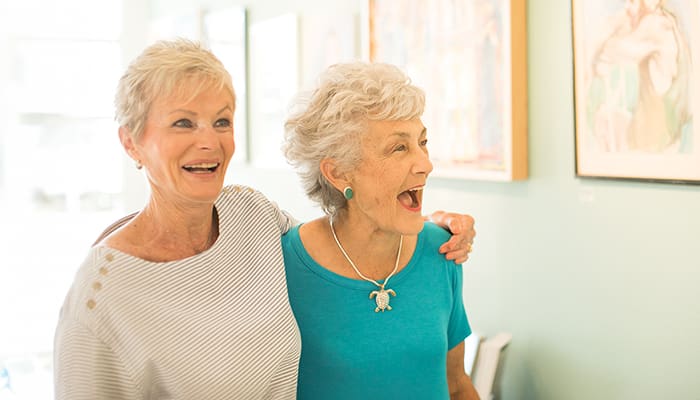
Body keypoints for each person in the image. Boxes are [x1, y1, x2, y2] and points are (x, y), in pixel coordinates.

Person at [53, 39, 476, 399]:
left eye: (222, 121)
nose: (209, 141)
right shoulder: (100, 296)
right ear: (131, 143)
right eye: (183, 123)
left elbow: (341, 239)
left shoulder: (252, 218)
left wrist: (432, 224)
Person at [282, 62, 480, 399]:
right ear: (339, 172)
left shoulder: (441, 250)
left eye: (423, 142)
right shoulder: (283, 265)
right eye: (399, 148)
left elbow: (457, 386)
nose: (426, 164)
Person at [588, 0, 691, 152]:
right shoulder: (667, 21)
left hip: (655, 135)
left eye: (632, 1)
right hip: (660, 132)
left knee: (604, 122)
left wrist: (616, 23)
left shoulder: (657, 26)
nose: (626, 8)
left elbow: (608, 54)